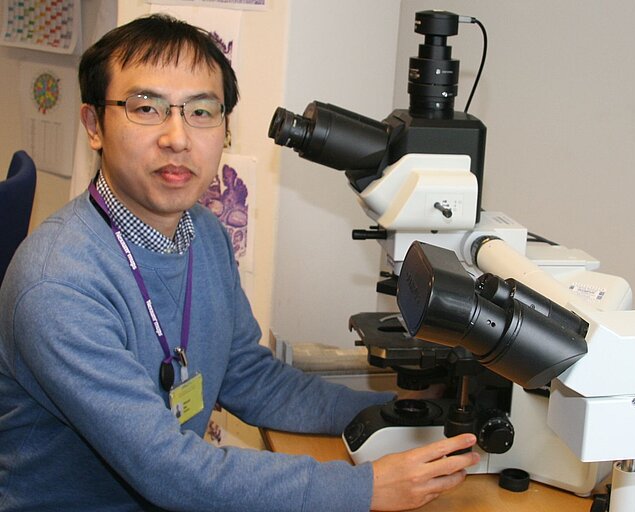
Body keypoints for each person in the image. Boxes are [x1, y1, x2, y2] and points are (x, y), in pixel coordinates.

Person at [0, 14, 477, 512]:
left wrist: (396, 411)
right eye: (146, 108)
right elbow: (168, 470)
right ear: (94, 126)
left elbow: (249, 378)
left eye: (201, 111)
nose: (177, 137)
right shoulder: (58, 285)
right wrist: (365, 488)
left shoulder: (204, 234)